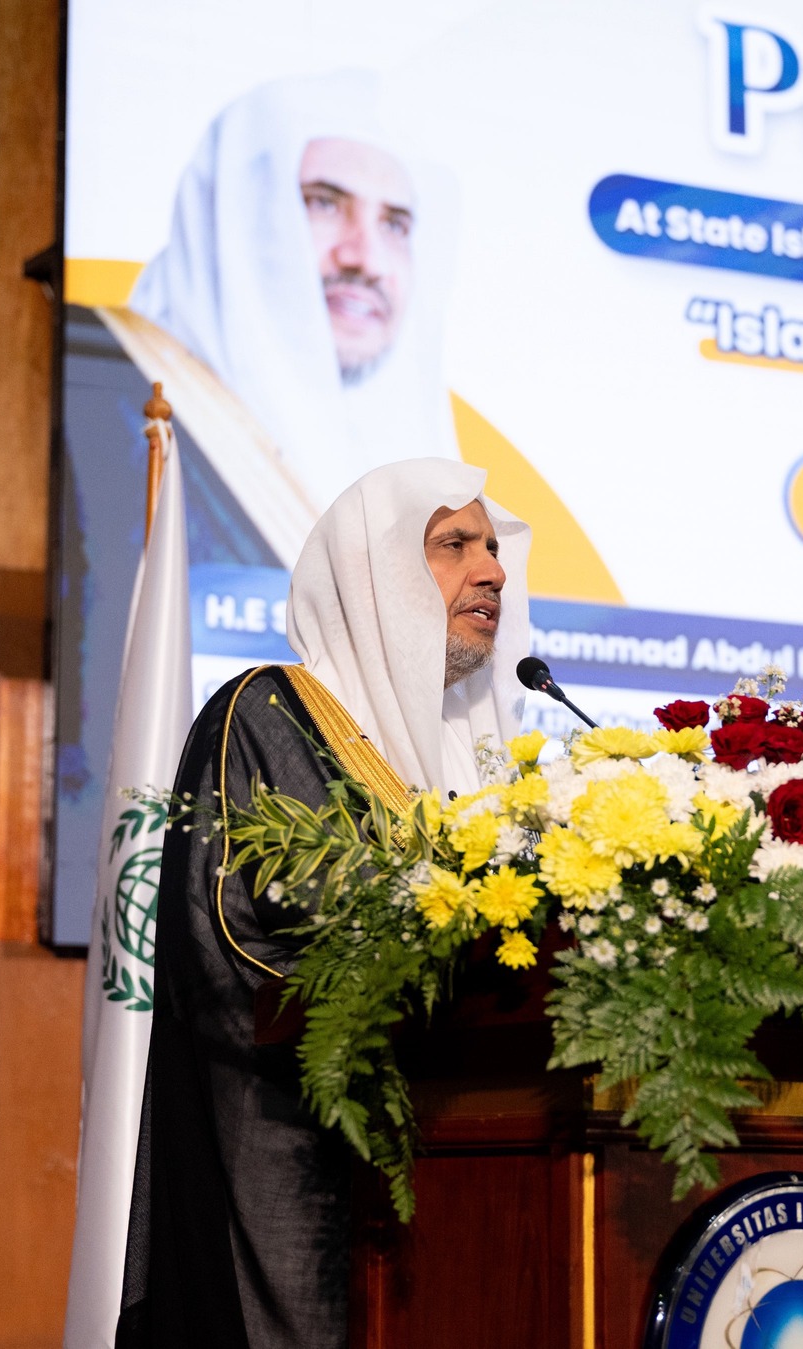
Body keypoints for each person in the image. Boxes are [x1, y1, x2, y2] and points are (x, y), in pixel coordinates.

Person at [116, 458, 531, 1347]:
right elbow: (234, 935)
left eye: (493, 548)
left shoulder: (488, 760)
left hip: (466, 1164)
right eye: (454, 544)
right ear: (373, 573)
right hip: (294, 1154)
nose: (491, 568)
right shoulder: (268, 713)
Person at [105, 71, 464, 564]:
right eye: (323, 203)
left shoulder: (399, 465)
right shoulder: (119, 408)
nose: (368, 258)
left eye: (395, 224)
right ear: (235, 214)